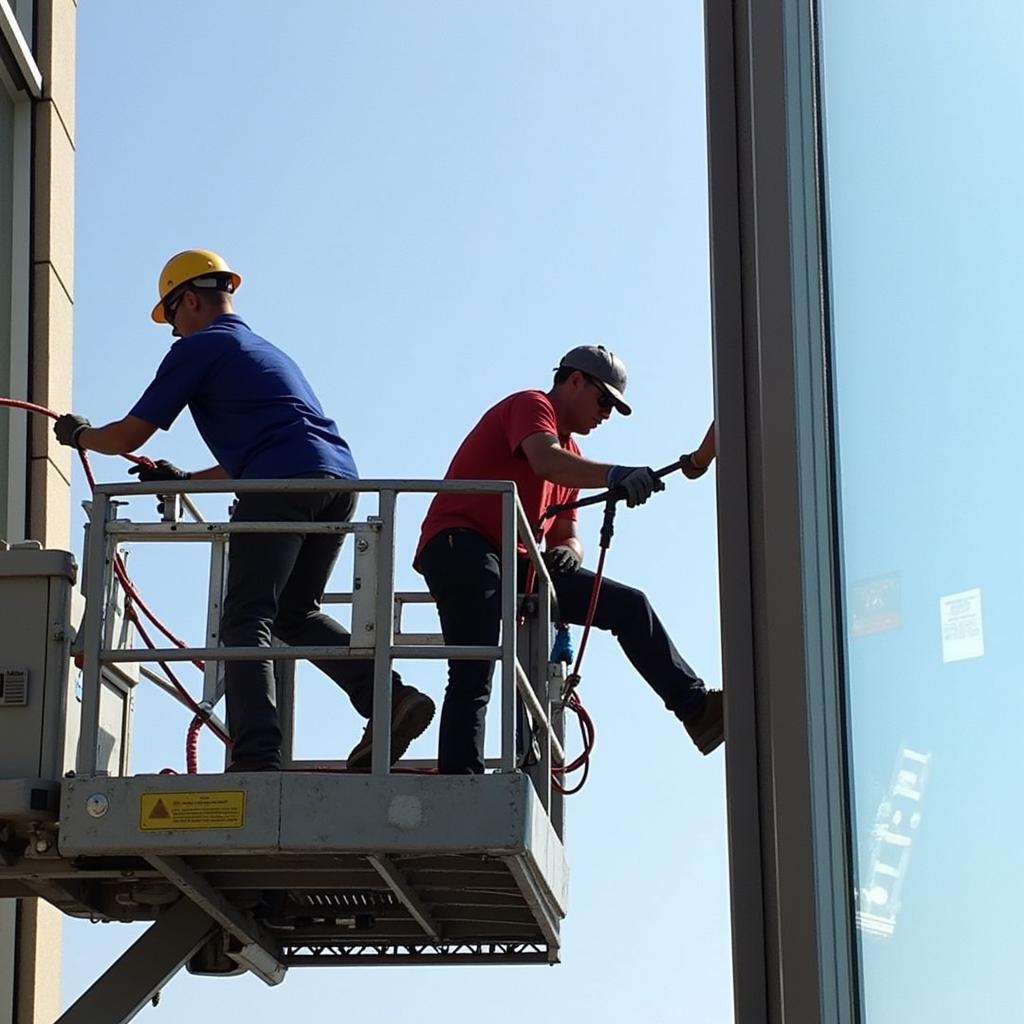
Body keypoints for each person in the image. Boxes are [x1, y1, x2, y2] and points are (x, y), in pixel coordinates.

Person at [54, 248, 434, 772]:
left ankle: (256, 755)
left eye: (173, 321)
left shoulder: (201, 347)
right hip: (336, 481)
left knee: (246, 619)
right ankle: (390, 699)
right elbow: (265, 452)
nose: (174, 335)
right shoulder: (262, 351)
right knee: (293, 612)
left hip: (284, 482)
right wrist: (186, 478)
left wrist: (81, 435)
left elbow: (130, 433)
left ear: (188, 300)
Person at [414, 345, 723, 775]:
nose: (606, 415)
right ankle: (460, 784)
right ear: (574, 381)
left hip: (516, 560)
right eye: (604, 402)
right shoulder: (531, 406)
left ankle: (697, 710)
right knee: (475, 666)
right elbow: (543, 461)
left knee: (628, 606)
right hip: (460, 544)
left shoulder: (572, 456)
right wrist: (614, 474)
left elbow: (568, 534)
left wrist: (567, 553)